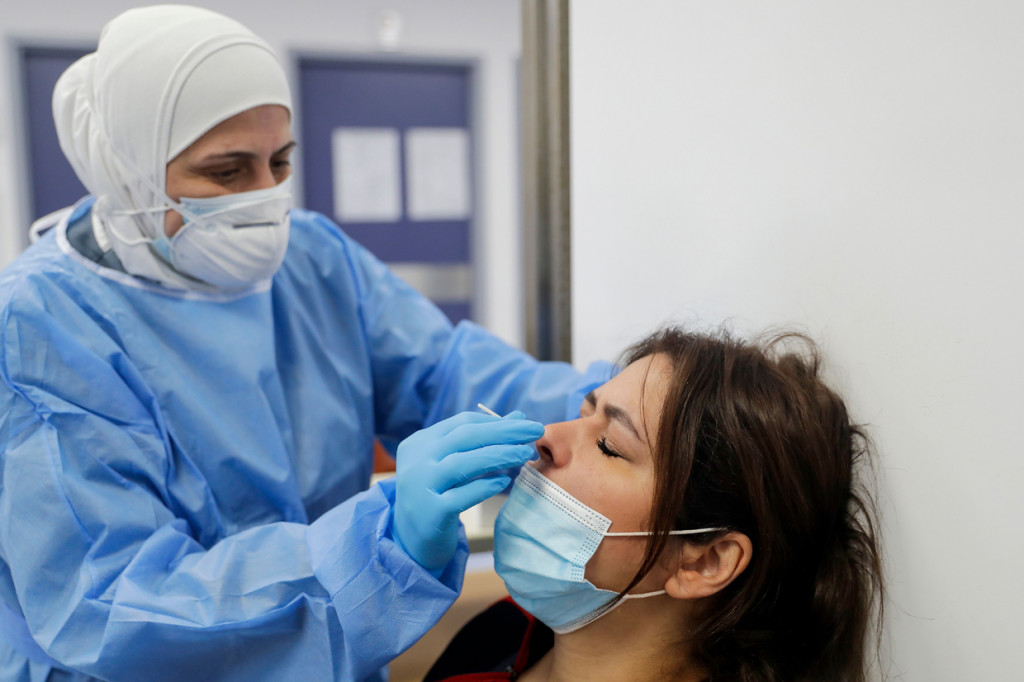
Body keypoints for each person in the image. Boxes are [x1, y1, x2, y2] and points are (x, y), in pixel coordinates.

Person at [0, 6, 609, 681]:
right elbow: (119, 606)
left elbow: (445, 371)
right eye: (227, 173)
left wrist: (600, 403)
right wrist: (379, 546)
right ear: (128, 172)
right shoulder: (41, 328)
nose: (263, 199)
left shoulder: (313, 259)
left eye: (280, 162)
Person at [426, 327, 886, 682]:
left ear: (705, 561)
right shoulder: (500, 632)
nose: (548, 435)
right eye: (585, 412)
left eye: (609, 444)